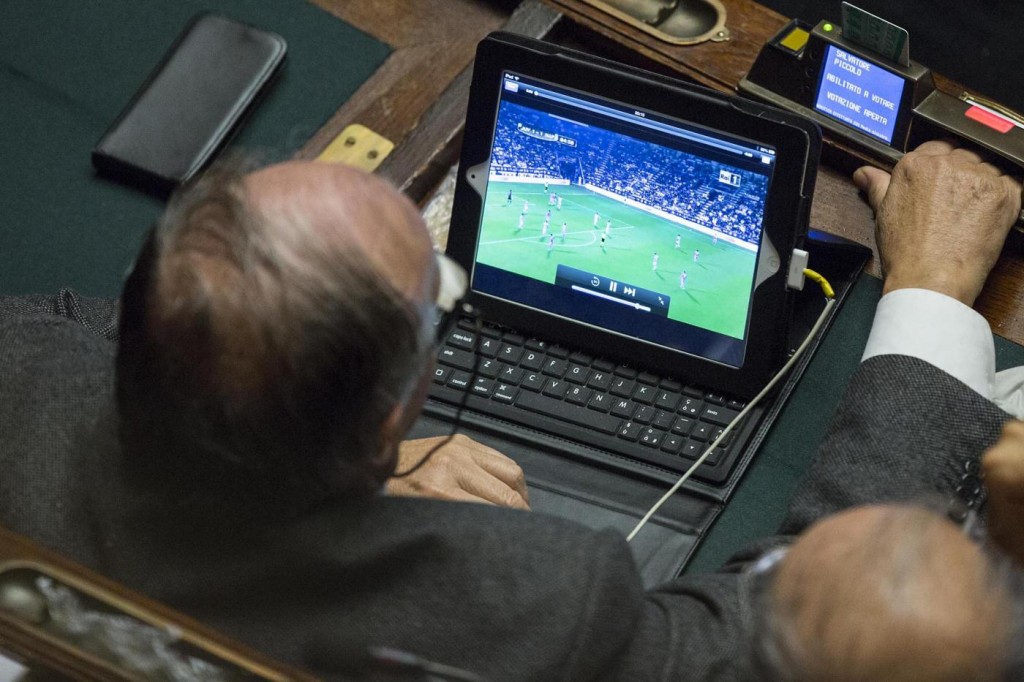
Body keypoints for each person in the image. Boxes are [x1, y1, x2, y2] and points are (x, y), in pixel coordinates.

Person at [1, 141, 1022, 680]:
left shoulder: (20, 371)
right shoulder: (540, 604)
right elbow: (825, 618)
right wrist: (931, 290)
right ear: (393, 411)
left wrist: (338, 456)